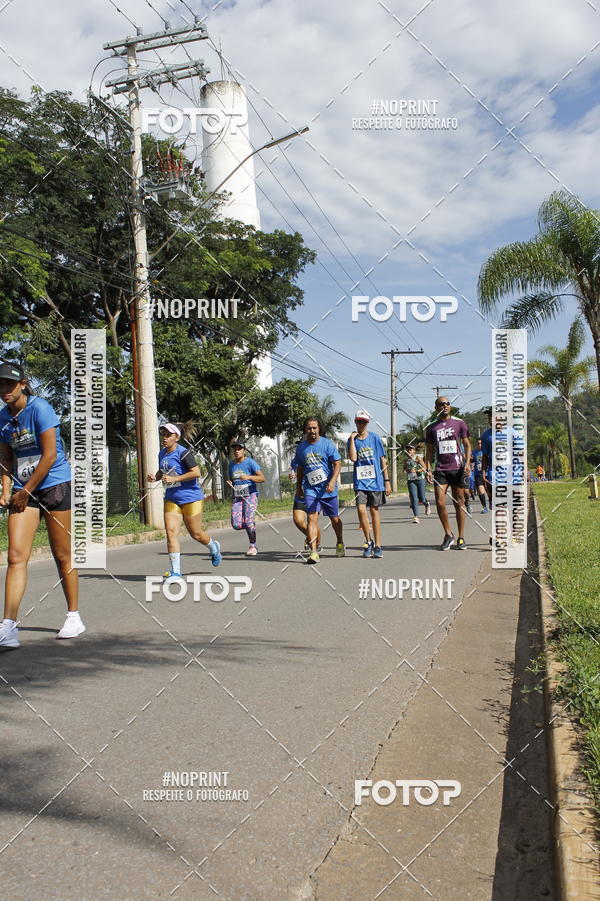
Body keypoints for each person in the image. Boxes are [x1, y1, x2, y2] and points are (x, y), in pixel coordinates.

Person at [0, 362, 85, 648]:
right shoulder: (2, 417)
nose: (4, 390)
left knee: (62, 555)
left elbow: (49, 455)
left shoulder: (40, 408)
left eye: (9, 384)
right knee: (15, 556)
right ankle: (8, 626)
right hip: (24, 491)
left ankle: (74, 615)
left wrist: (24, 490)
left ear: (22, 384)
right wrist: (6, 489)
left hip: (55, 485)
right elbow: (6, 458)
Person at [147, 423, 221, 582]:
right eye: (163, 434)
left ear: (177, 437)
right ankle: (176, 572)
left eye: (168, 435)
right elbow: (163, 470)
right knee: (171, 533)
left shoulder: (183, 453)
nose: (164, 438)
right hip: (172, 497)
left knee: (196, 533)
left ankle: (213, 547)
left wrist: (174, 479)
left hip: (191, 498)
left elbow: (196, 472)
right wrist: (155, 477)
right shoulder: (162, 453)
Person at [424, 396, 471, 550]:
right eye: (441, 404)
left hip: (457, 468)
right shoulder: (432, 427)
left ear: (450, 406)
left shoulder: (459, 423)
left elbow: (467, 445)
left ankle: (461, 537)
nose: (444, 406)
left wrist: (468, 463)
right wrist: (428, 468)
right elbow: (429, 450)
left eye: (447, 403)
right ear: (436, 407)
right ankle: (448, 534)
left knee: (459, 503)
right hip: (440, 469)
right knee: (440, 502)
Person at [295, 417, 344, 564]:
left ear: (319, 429)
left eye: (314, 428)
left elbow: (337, 463)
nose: (312, 431)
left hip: (328, 489)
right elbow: (301, 468)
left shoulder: (326, 444)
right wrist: (299, 486)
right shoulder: (301, 447)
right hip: (311, 489)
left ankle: (340, 542)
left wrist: (332, 481)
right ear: (305, 430)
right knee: (311, 518)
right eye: (309, 428)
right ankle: (313, 552)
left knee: (334, 519)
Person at [347, 409, 391, 558]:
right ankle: (368, 541)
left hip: (376, 481)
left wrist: (387, 481)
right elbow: (353, 458)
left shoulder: (375, 438)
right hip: (360, 482)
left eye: (364, 421)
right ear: (355, 422)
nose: (361, 424)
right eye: (359, 421)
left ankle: (378, 545)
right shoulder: (351, 440)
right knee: (360, 510)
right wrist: (352, 439)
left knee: (374, 512)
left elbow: (382, 460)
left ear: (367, 423)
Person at [227, 441, 265, 556]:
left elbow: (262, 478)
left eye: (239, 449)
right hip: (238, 495)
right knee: (236, 524)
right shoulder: (231, 465)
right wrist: (230, 483)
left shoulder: (250, 463)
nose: (237, 451)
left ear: (244, 450)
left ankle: (253, 546)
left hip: (251, 494)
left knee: (248, 521)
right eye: (235, 449)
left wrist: (248, 477)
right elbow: (232, 479)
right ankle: (250, 525)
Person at [290, 443, 321, 552]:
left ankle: (316, 544)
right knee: (298, 520)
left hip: (313, 493)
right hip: (300, 494)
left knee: (312, 520)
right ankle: (311, 536)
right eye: (297, 446)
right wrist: (293, 477)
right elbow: (294, 477)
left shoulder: (314, 458)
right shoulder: (294, 462)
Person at [403, 444, 431, 523]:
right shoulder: (406, 460)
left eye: (411, 450)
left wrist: (417, 470)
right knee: (414, 499)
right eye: (408, 450)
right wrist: (407, 470)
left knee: (422, 498)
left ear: (414, 451)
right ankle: (416, 517)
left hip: (420, 479)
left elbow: (424, 468)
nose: (409, 451)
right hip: (411, 480)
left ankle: (427, 504)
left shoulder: (417, 458)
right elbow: (404, 469)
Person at [471, 437, 489, 512]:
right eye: (478, 443)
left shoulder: (487, 451)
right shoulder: (474, 452)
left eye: (481, 443)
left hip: (487, 473)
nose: (480, 445)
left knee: (489, 490)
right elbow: (470, 459)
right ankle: (484, 507)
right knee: (480, 490)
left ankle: (491, 501)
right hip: (478, 474)